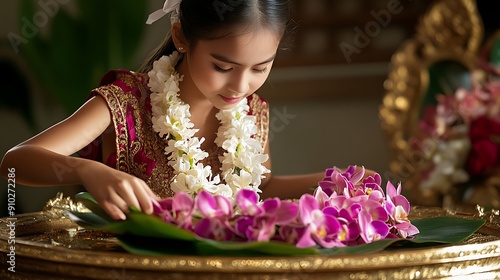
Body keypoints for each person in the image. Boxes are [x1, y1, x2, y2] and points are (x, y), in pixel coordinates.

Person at [0, 0, 362, 221]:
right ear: (181, 37)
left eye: (260, 68)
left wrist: (334, 181)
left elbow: (259, 188)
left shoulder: (253, 112)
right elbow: (14, 163)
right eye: (223, 67)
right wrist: (88, 170)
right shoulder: (126, 102)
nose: (240, 86)